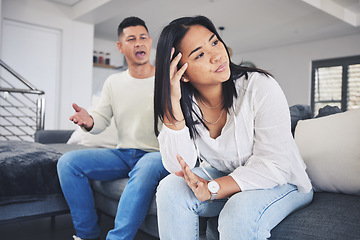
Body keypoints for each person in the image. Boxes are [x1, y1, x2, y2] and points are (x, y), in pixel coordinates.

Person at [153, 16, 313, 240]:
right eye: (200, 54)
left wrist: (214, 187)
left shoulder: (260, 86)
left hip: (284, 181)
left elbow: (275, 164)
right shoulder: (182, 104)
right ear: (182, 73)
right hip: (230, 177)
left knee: (238, 212)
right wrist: (172, 108)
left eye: (215, 42)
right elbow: (179, 167)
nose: (217, 56)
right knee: (171, 188)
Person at [57, 16, 168, 240]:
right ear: (120, 46)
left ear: (150, 42)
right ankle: (86, 234)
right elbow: (101, 119)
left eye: (143, 37)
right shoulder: (113, 82)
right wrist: (89, 122)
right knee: (68, 163)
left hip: (157, 156)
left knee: (146, 165)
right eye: (131, 39)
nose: (139, 43)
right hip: (124, 153)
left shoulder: (166, 79)